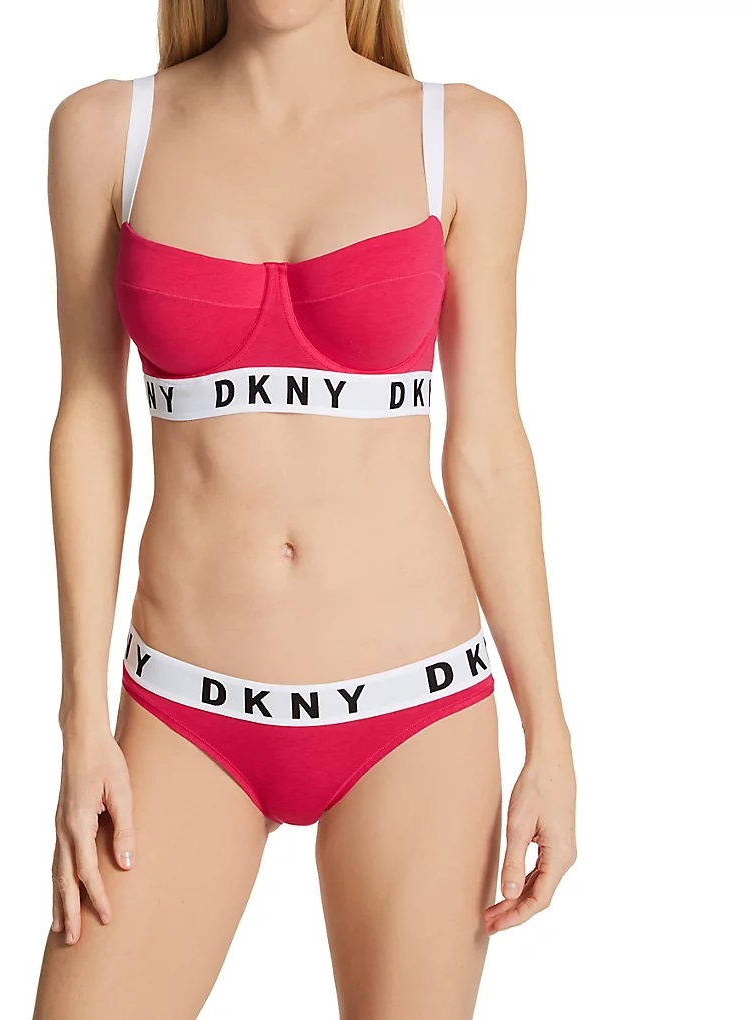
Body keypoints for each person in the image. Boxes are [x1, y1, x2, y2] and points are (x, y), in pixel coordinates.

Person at [32, 2, 577, 1017]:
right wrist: (79, 723)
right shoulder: (104, 133)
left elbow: (488, 449)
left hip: (415, 715)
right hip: (182, 713)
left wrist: (549, 734)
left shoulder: (464, 136)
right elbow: (88, 425)